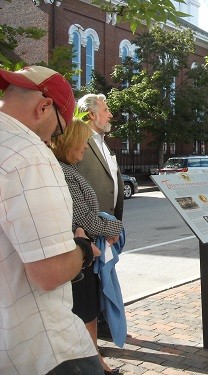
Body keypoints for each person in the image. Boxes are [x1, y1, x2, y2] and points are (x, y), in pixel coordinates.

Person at [0, 66, 102, 374]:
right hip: (43, 349)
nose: (53, 139)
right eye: (59, 130)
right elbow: (50, 271)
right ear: (44, 106)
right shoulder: (28, 153)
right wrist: (84, 249)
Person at [51, 119, 124, 375]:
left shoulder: (67, 168)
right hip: (77, 254)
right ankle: (93, 366)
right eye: (82, 141)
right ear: (68, 141)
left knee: (89, 311)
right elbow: (83, 218)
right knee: (85, 312)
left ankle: (95, 362)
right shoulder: (62, 171)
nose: (85, 147)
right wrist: (115, 228)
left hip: (83, 250)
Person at [76, 93, 124, 338]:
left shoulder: (103, 142)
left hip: (108, 227)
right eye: (106, 110)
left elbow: (111, 182)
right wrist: (102, 228)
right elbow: (81, 189)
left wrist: (114, 224)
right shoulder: (79, 140)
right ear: (92, 114)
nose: (110, 114)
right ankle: (94, 338)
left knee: (105, 278)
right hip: (92, 227)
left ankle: (103, 328)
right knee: (92, 285)